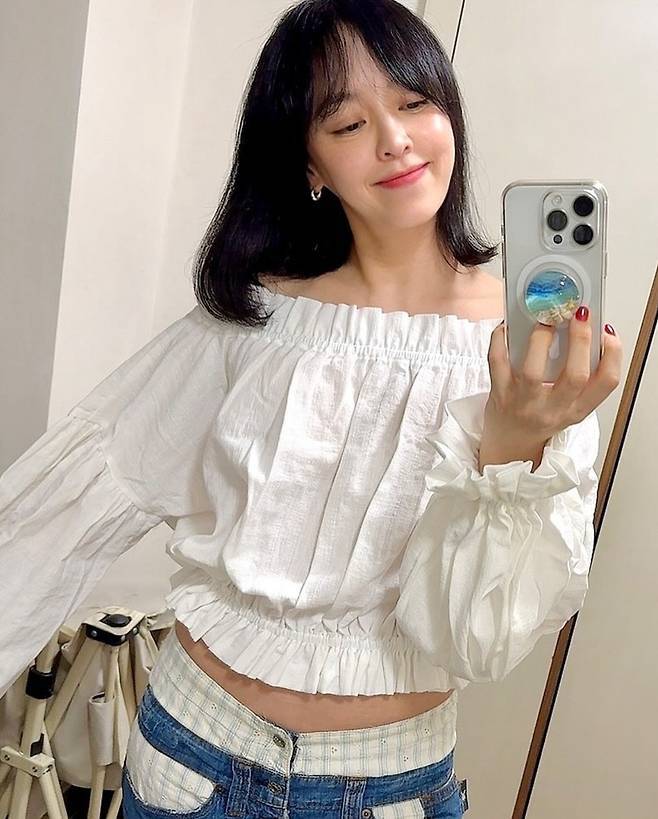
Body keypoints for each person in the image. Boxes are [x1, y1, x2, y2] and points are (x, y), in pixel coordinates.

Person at [0, 1, 621, 817]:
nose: (394, 140)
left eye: (413, 102)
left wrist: (510, 444)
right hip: (191, 755)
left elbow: (479, 638)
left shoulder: (529, 348)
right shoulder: (253, 322)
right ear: (310, 164)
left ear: (449, 116)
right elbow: (64, 511)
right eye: (347, 122)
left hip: (390, 784)